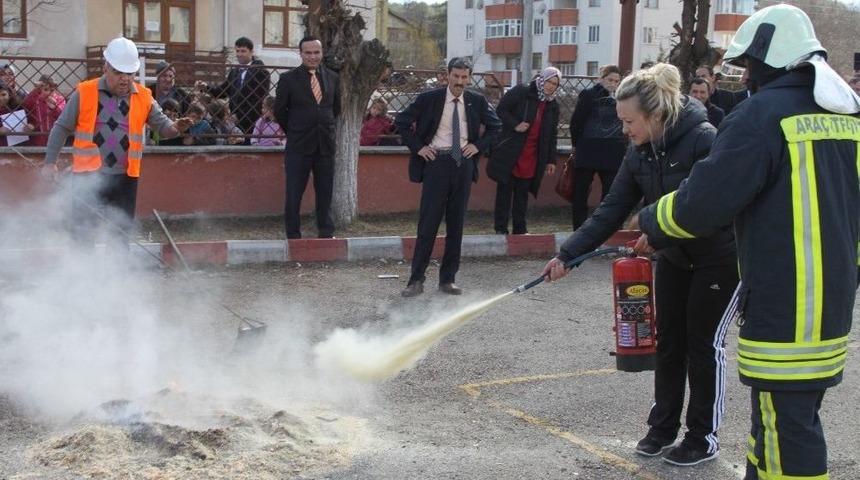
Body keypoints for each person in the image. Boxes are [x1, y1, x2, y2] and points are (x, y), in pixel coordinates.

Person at [635, 6, 859, 479]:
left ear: (768, 59)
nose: (747, 76)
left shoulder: (762, 116)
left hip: (784, 302)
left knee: (787, 439)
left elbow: (704, 202)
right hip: (832, 301)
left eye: (749, 65)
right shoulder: (846, 115)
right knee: (783, 423)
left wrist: (652, 220)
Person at [542, 63, 739, 466]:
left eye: (629, 121)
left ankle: (702, 438)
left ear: (655, 115)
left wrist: (659, 233)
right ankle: (662, 428)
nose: (624, 129)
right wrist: (568, 254)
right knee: (668, 342)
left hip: (719, 259)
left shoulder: (704, 139)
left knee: (703, 346)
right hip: (675, 259)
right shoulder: (639, 151)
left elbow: (711, 208)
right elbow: (612, 208)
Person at [40, 37, 192, 248]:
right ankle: (81, 269)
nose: (125, 79)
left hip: (125, 179)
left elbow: (164, 128)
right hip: (88, 176)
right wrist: (50, 162)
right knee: (82, 235)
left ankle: (118, 269)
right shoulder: (85, 92)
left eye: (130, 73)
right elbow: (61, 127)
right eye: (119, 72)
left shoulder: (144, 97)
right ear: (106, 68)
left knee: (120, 237)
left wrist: (176, 127)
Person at [395, 57, 501, 297]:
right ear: (447, 75)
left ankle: (448, 279)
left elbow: (496, 127)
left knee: (456, 224)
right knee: (428, 224)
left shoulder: (476, 101)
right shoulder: (429, 99)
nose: (459, 81)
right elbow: (401, 122)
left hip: (463, 164)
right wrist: (419, 147)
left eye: (464, 77)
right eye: (456, 76)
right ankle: (416, 280)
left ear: (470, 78)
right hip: (436, 163)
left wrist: (478, 146)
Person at [273, 36, 341, 239]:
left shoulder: (332, 77)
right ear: (301, 54)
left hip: (325, 145)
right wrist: (296, 131)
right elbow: (280, 111)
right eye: (308, 53)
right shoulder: (288, 79)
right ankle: (293, 235)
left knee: (325, 191)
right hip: (299, 146)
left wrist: (323, 127)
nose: (312, 56)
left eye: (316, 52)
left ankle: (326, 232)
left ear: (322, 53)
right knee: (294, 192)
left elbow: (335, 109)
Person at [487, 66, 561, 235]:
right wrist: (516, 124)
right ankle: (501, 229)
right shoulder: (523, 91)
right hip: (511, 151)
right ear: (542, 79)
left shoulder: (553, 105)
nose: (551, 86)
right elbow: (501, 110)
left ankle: (520, 229)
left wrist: (551, 159)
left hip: (532, 155)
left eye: (555, 84)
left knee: (522, 193)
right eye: (549, 81)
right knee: (504, 192)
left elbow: (552, 133)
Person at [568, 65, 626, 230]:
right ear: (601, 78)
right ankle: (579, 228)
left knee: (611, 194)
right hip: (588, 150)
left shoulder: (622, 97)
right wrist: (576, 145)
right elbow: (576, 122)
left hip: (612, 151)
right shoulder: (589, 95)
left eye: (616, 81)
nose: (613, 84)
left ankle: (606, 228)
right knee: (580, 192)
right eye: (610, 80)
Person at [196, 37, 269, 141]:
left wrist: (239, 116)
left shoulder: (261, 72)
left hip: (253, 121)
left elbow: (258, 99)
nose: (239, 54)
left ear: (251, 52)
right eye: (237, 51)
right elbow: (222, 92)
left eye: (243, 51)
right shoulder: (235, 72)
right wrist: (206, 87)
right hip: (235, 122)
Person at [23, 75, 66, 147]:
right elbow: (27, 103)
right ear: (39, 90)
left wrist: (54, 108)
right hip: (37, 137)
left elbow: (62, 117)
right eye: (45, 90)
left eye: (52, 90)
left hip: (54, 137)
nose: (49, 93)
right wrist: (35, 91)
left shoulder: (58, 99)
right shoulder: (35, 100)